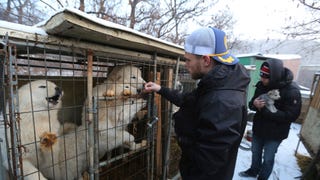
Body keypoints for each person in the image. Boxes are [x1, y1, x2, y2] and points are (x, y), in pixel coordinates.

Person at [144, 27, 250, 180]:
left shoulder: (223, 101)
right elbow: (189, 100)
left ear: (206, 60)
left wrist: (181, 129)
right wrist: (160, 89)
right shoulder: (217, 85)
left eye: (188, 60)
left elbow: (208, 162)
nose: (185, 65)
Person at [239, 58, 302, 180]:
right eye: (261, 76)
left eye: (265, 77)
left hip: (275, 133)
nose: (262, 79)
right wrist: (254, 104)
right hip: (259, 128)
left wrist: (266, 112)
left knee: (268, 158)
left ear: (275, 76)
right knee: (255, 152)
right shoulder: (262, 85)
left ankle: (262, 177)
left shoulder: (291, 91)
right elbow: (252, 103)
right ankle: (253, 171)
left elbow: (292, 115)